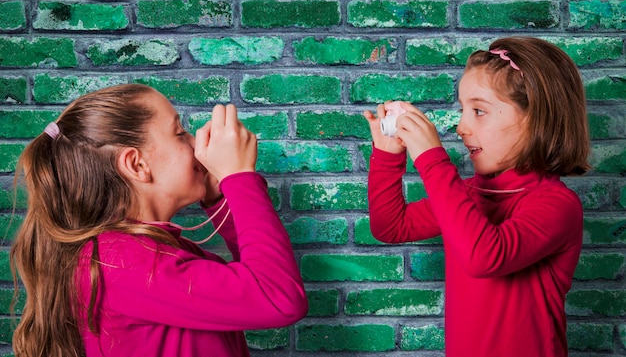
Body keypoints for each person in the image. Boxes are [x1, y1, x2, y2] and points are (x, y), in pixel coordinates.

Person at [10, 84, 308, 357]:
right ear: (137, 165)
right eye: (180, 134)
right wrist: (239, 178)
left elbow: (255, 284)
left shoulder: (145, 251)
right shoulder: (122, 263)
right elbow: (278, 297)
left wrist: (219, 199)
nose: (195, 144)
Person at [364, 36, 590, 357]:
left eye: (479, 111)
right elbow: (391, 227)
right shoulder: (468, 195)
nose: (461, 126)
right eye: (462, 110)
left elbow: (485, 256)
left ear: (535, 117)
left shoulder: (556, 204)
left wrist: (431, 159)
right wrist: (387, 158)